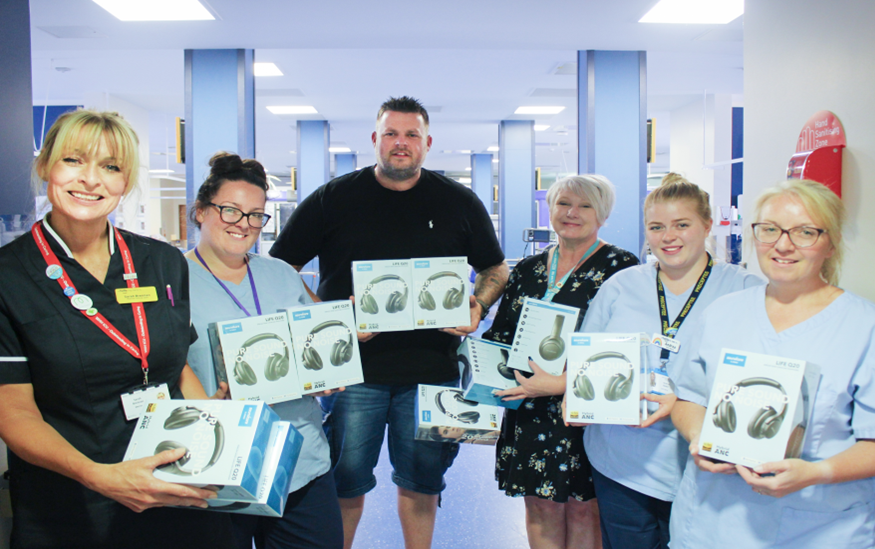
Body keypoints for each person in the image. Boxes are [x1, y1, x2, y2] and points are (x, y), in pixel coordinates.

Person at [269, 96, 509, 549]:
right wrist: (330, 318)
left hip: (431, 372)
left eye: (412, 135)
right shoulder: (333, 198)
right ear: (375, 139)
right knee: (345, 481)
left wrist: (477, 304)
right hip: (351, 371)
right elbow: (279, 268)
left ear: (427, 142)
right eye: (392, 134)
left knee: (423, 481)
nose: (401, 144)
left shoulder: (458, 201)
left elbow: (497, 270)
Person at [0, 109, 233, 548]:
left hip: (175, 488)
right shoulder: (10, 276)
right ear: (45, 164)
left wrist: (215, 429)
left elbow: (177, 369)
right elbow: (13, 412)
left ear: (125, 183)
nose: (91, 180)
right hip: (73, 504)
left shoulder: (160, 261)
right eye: (74, 160)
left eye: (111, 167)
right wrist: (100, 477)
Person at [669, 179, 875, 548]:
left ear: (831, 242)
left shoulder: (874, 330)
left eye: (805, 232)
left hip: (819, 528)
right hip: (712, 523)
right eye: (770, 230)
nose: (783, 244)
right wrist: (699, 436)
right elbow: (688, 398)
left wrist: (816, 472)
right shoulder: (722, 314)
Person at [579, 175, 763, 549]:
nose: (669, 237)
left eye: (682, 225)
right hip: (621, 463)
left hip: (703, 468)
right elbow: (587, 357)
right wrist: (577, 394)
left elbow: (755, 383)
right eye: (656, 227)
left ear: (707, 225)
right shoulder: (621, 286)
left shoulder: (745, 291)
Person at [185, 152, 344, 549]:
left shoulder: (281, 274)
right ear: (201, 211)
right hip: (218, 467)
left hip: (301, 461)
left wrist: (328, 375)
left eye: (256, 215)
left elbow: (316, 345)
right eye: (230, 211)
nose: (245, 224)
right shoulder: (172, 280)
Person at [486, 174, 639, 549]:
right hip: (528, 408)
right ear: (550, 209)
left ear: (601, 215)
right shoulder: (526, 270)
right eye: (563, 204)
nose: (572, 213)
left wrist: (563, 382)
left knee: (585, 509)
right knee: (539, 506)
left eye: (585, 206)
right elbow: (501, 335)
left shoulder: (622, 269)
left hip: (585, 409)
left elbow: (627, 348)